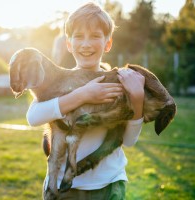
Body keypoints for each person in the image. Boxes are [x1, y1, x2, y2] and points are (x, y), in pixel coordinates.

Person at [26, 2, 145, 199]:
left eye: (95, 36)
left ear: (108, 43)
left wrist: (138, 100)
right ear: (69, 44)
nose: (86, 44)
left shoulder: (118, 82)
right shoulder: (59, 81)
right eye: (79, 36)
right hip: (63, 190)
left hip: (109, 185)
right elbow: (33, 117)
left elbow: (129, 141)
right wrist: (84, 95)